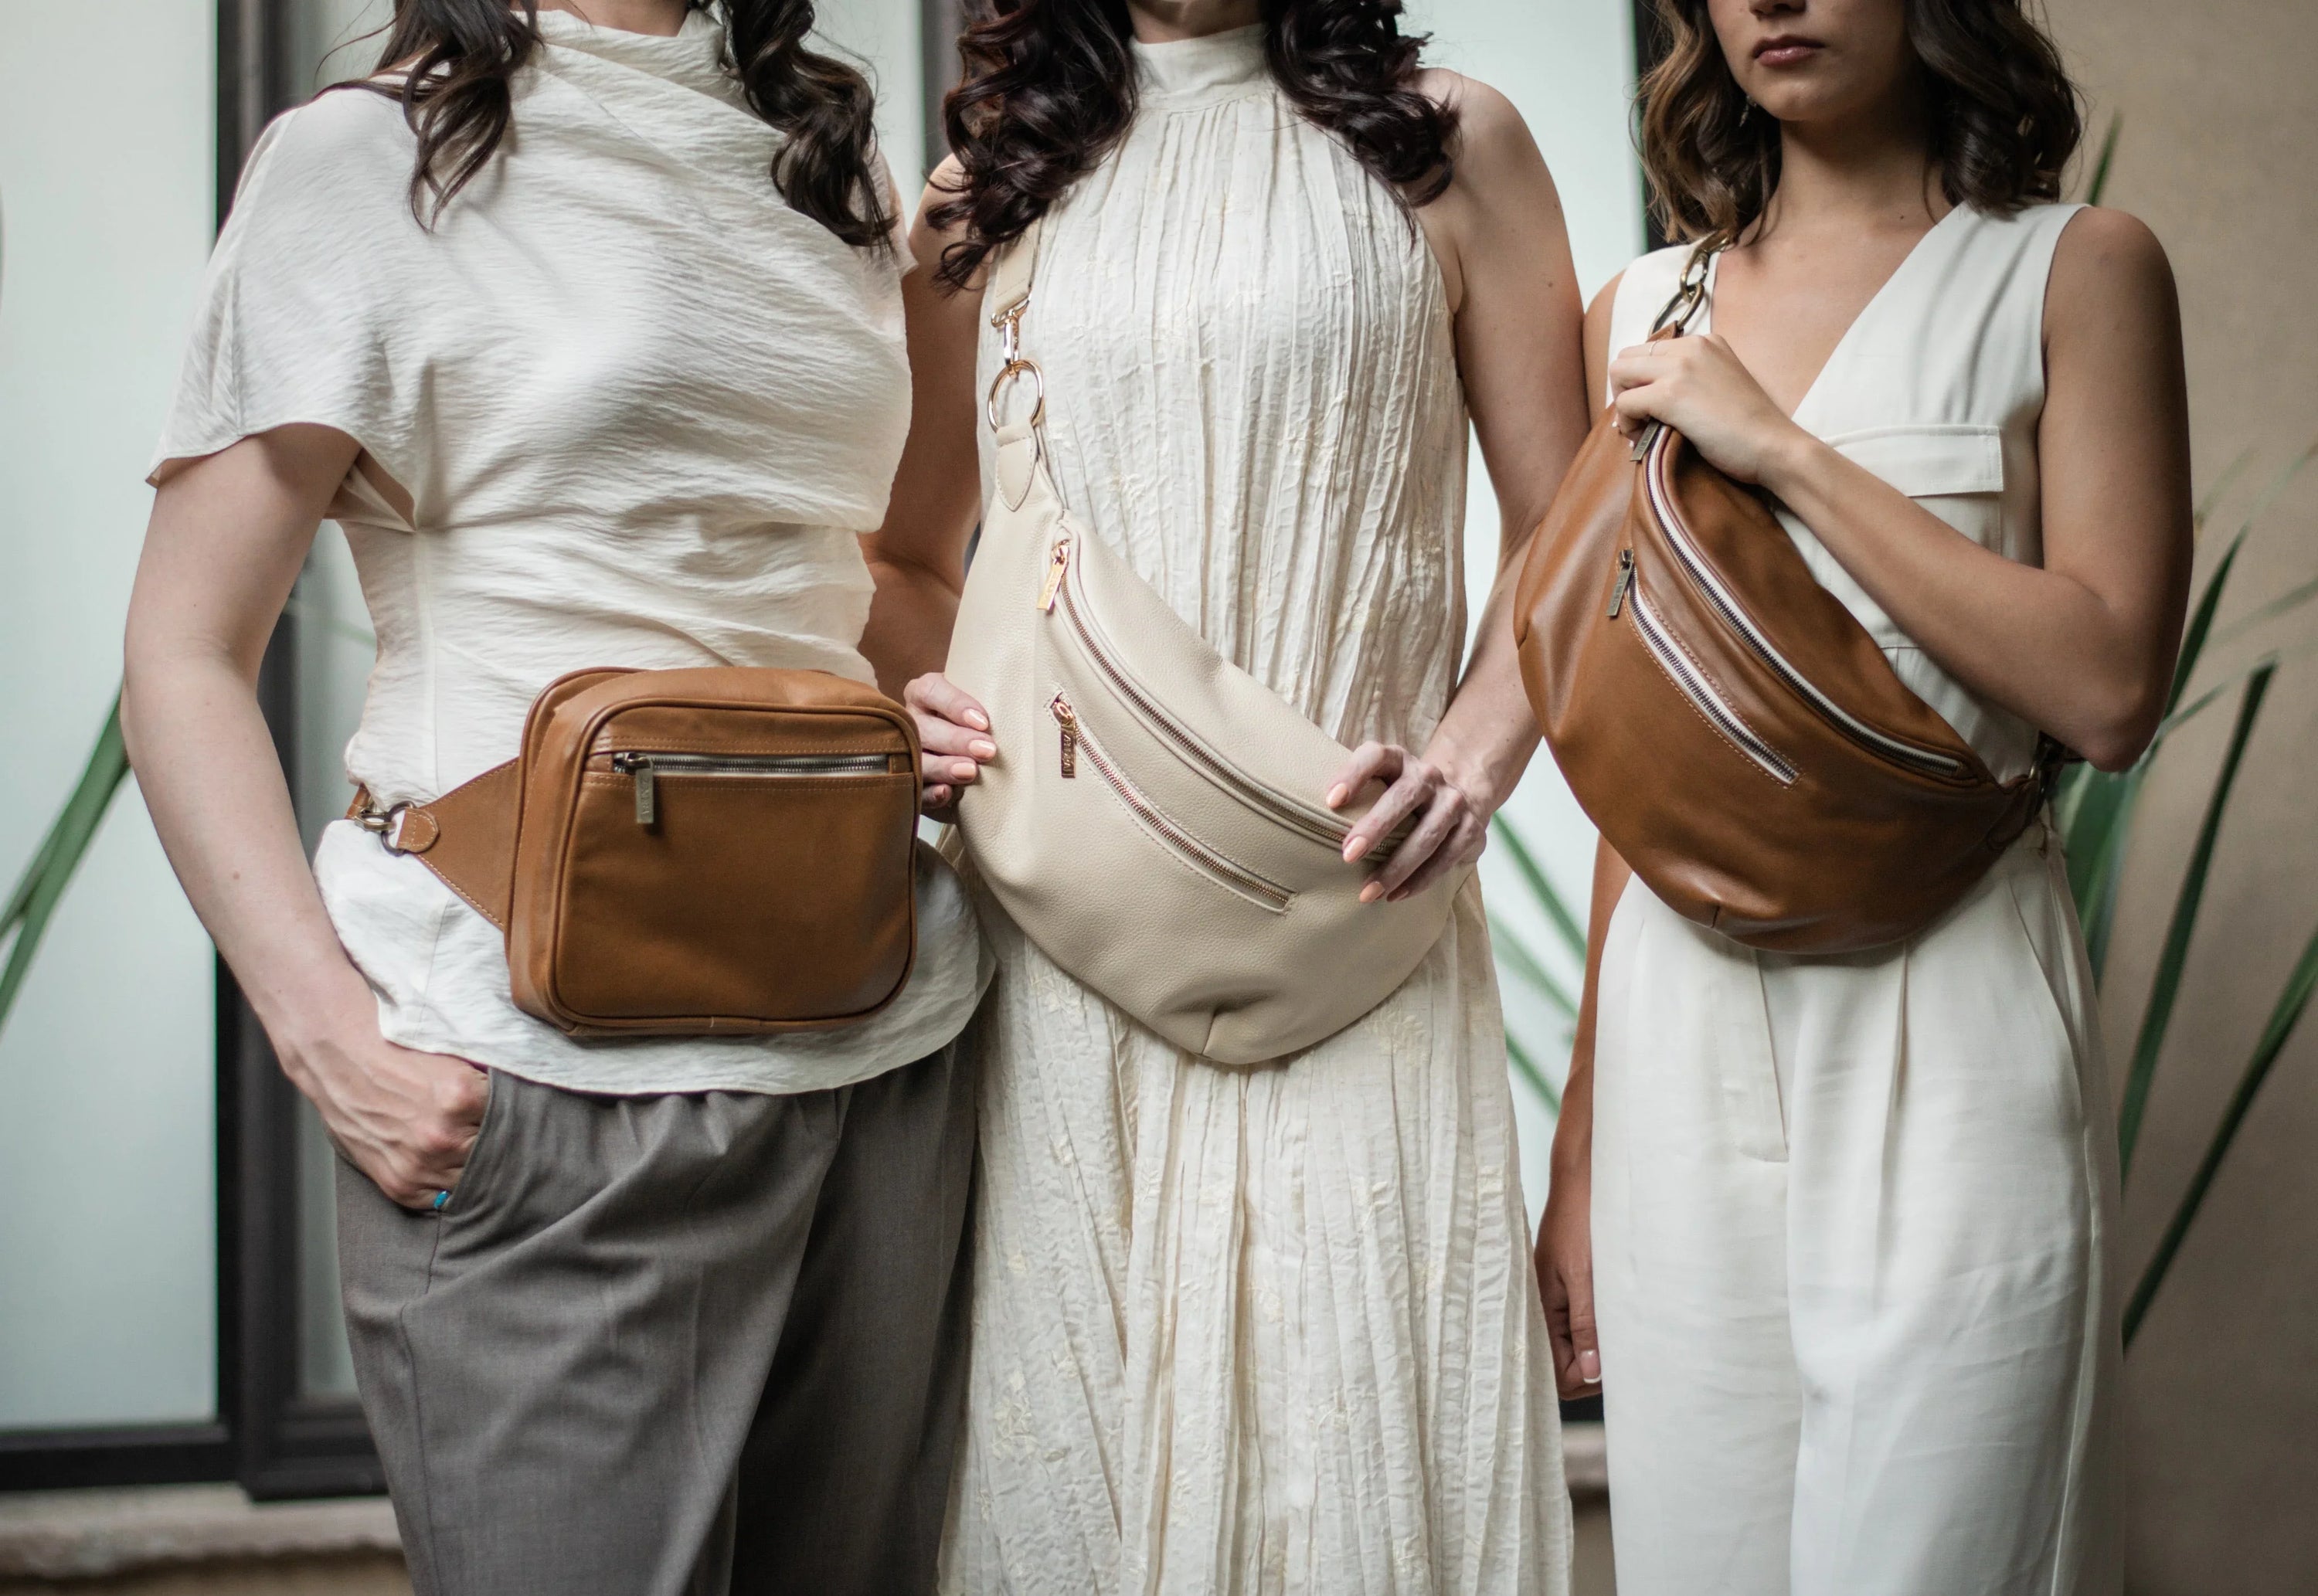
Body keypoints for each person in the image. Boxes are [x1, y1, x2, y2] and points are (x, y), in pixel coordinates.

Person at [120, 3, 988, 1591]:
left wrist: (921, 697)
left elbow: (872, 574)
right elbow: (183, 655)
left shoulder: (831, 161)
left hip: (882, 1042)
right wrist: (326, 1029)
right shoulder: (362, 161)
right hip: (532, 1053)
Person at [886, 0, 1592, 1588]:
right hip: (1069, 956)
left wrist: (1477, 762)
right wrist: (915, 690)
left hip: (1363, 917)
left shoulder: (1444, 142)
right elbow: (906, 554)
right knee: (1079, 1457)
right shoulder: (980, 195)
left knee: (1358, 1458)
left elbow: (1573, 527)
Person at [1532, 2, 2192, 1592]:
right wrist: (1577, 1145)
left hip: (1951, 1007)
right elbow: (1645, 753)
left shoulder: (2075, 268)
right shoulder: (1642, 306)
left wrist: (1785, 452)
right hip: (1679, 1040)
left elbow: (2110, 684)